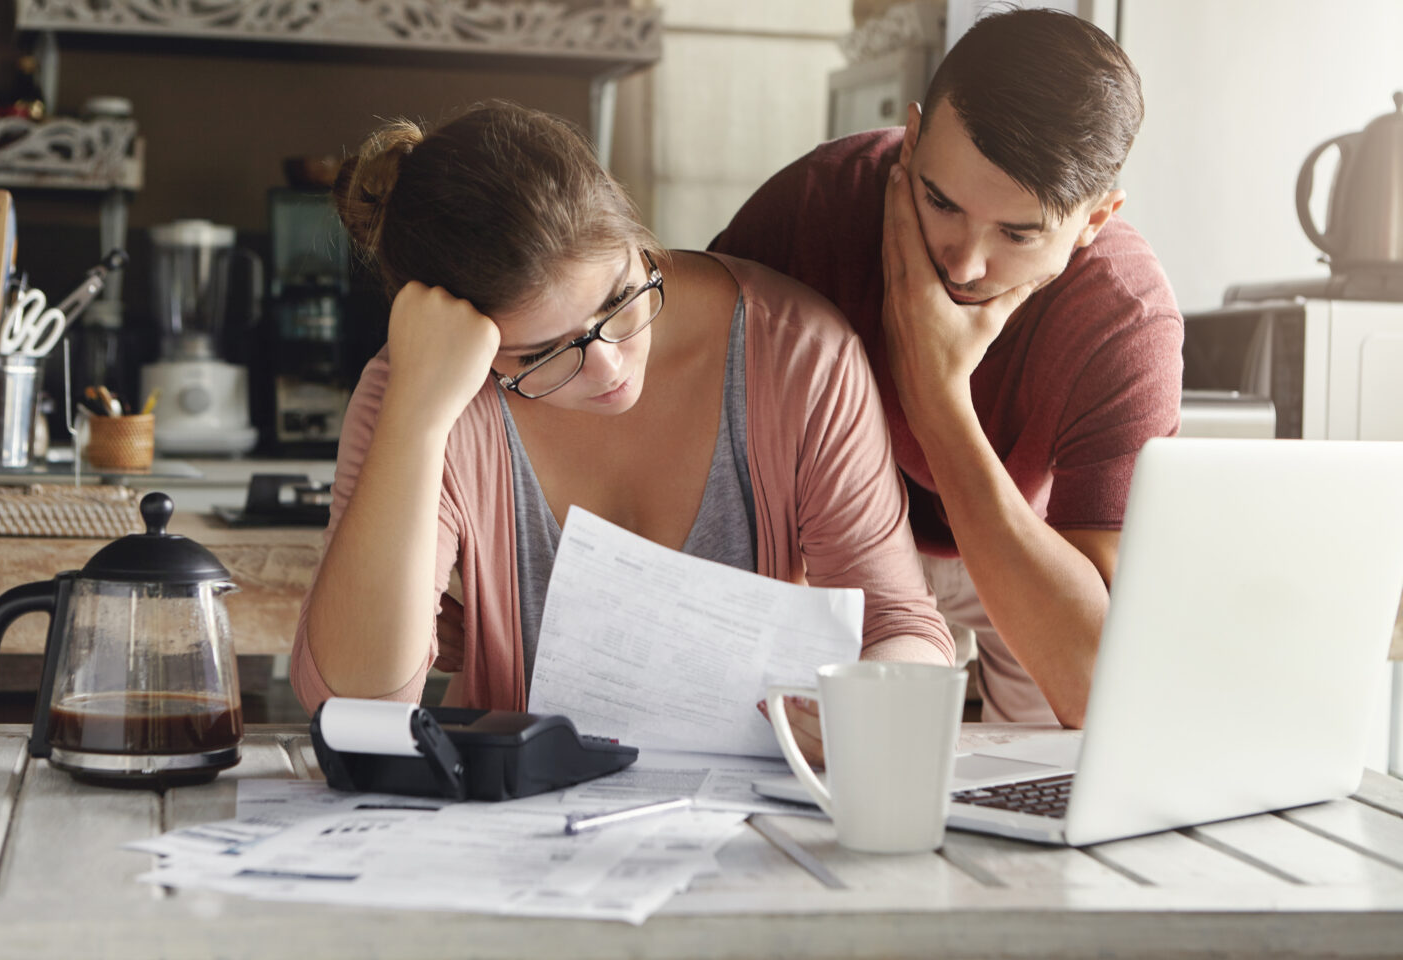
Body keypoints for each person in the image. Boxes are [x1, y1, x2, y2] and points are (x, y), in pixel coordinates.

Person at [291, 101, 953, 763]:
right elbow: (354, 707)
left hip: (756, 819)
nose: (610, 365)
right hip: (515, 833)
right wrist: (417, 417)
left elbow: (901, 625)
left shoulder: (799, 352)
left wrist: (874, 700)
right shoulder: (418, 391)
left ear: (636, 236)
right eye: (544, 353)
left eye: (619, 299)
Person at [710, 8, 1184, 727]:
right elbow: (682, 405)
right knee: (801, 747)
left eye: (1018, 233)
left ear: (1095, 219)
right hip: (836, 532)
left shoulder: (1125, 320)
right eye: (940, 201)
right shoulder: (814, 207)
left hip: (1021, 538)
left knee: (1057, 768)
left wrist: (936, 396)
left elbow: (1093, 685)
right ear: (912, 138)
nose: (963, 261)